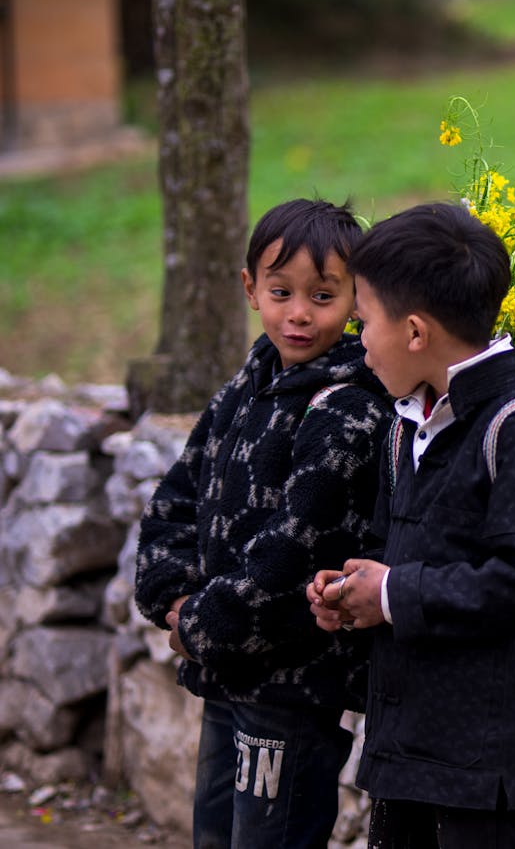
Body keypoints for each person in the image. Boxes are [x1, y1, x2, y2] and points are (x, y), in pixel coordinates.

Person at [306, 202, 515, 849]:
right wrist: (354, 596)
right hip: (406, 744)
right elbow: (388, 550)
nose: (359, 342)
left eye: (363, 322)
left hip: (479, 764)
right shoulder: (405, 427)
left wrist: (391, 592)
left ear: (413, 332)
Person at [134, 198, 394, 848]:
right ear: (250, 289)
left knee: (268, 838)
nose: (299, 312)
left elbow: (288, 559)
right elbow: (176, 497)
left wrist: (197, 622)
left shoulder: (348, 412)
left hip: (291, 689)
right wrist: (171, 596)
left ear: (358, 300)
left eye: (323, 294)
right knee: (214, 835)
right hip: (226, 673)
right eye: (281, 291)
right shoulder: (246, 388)